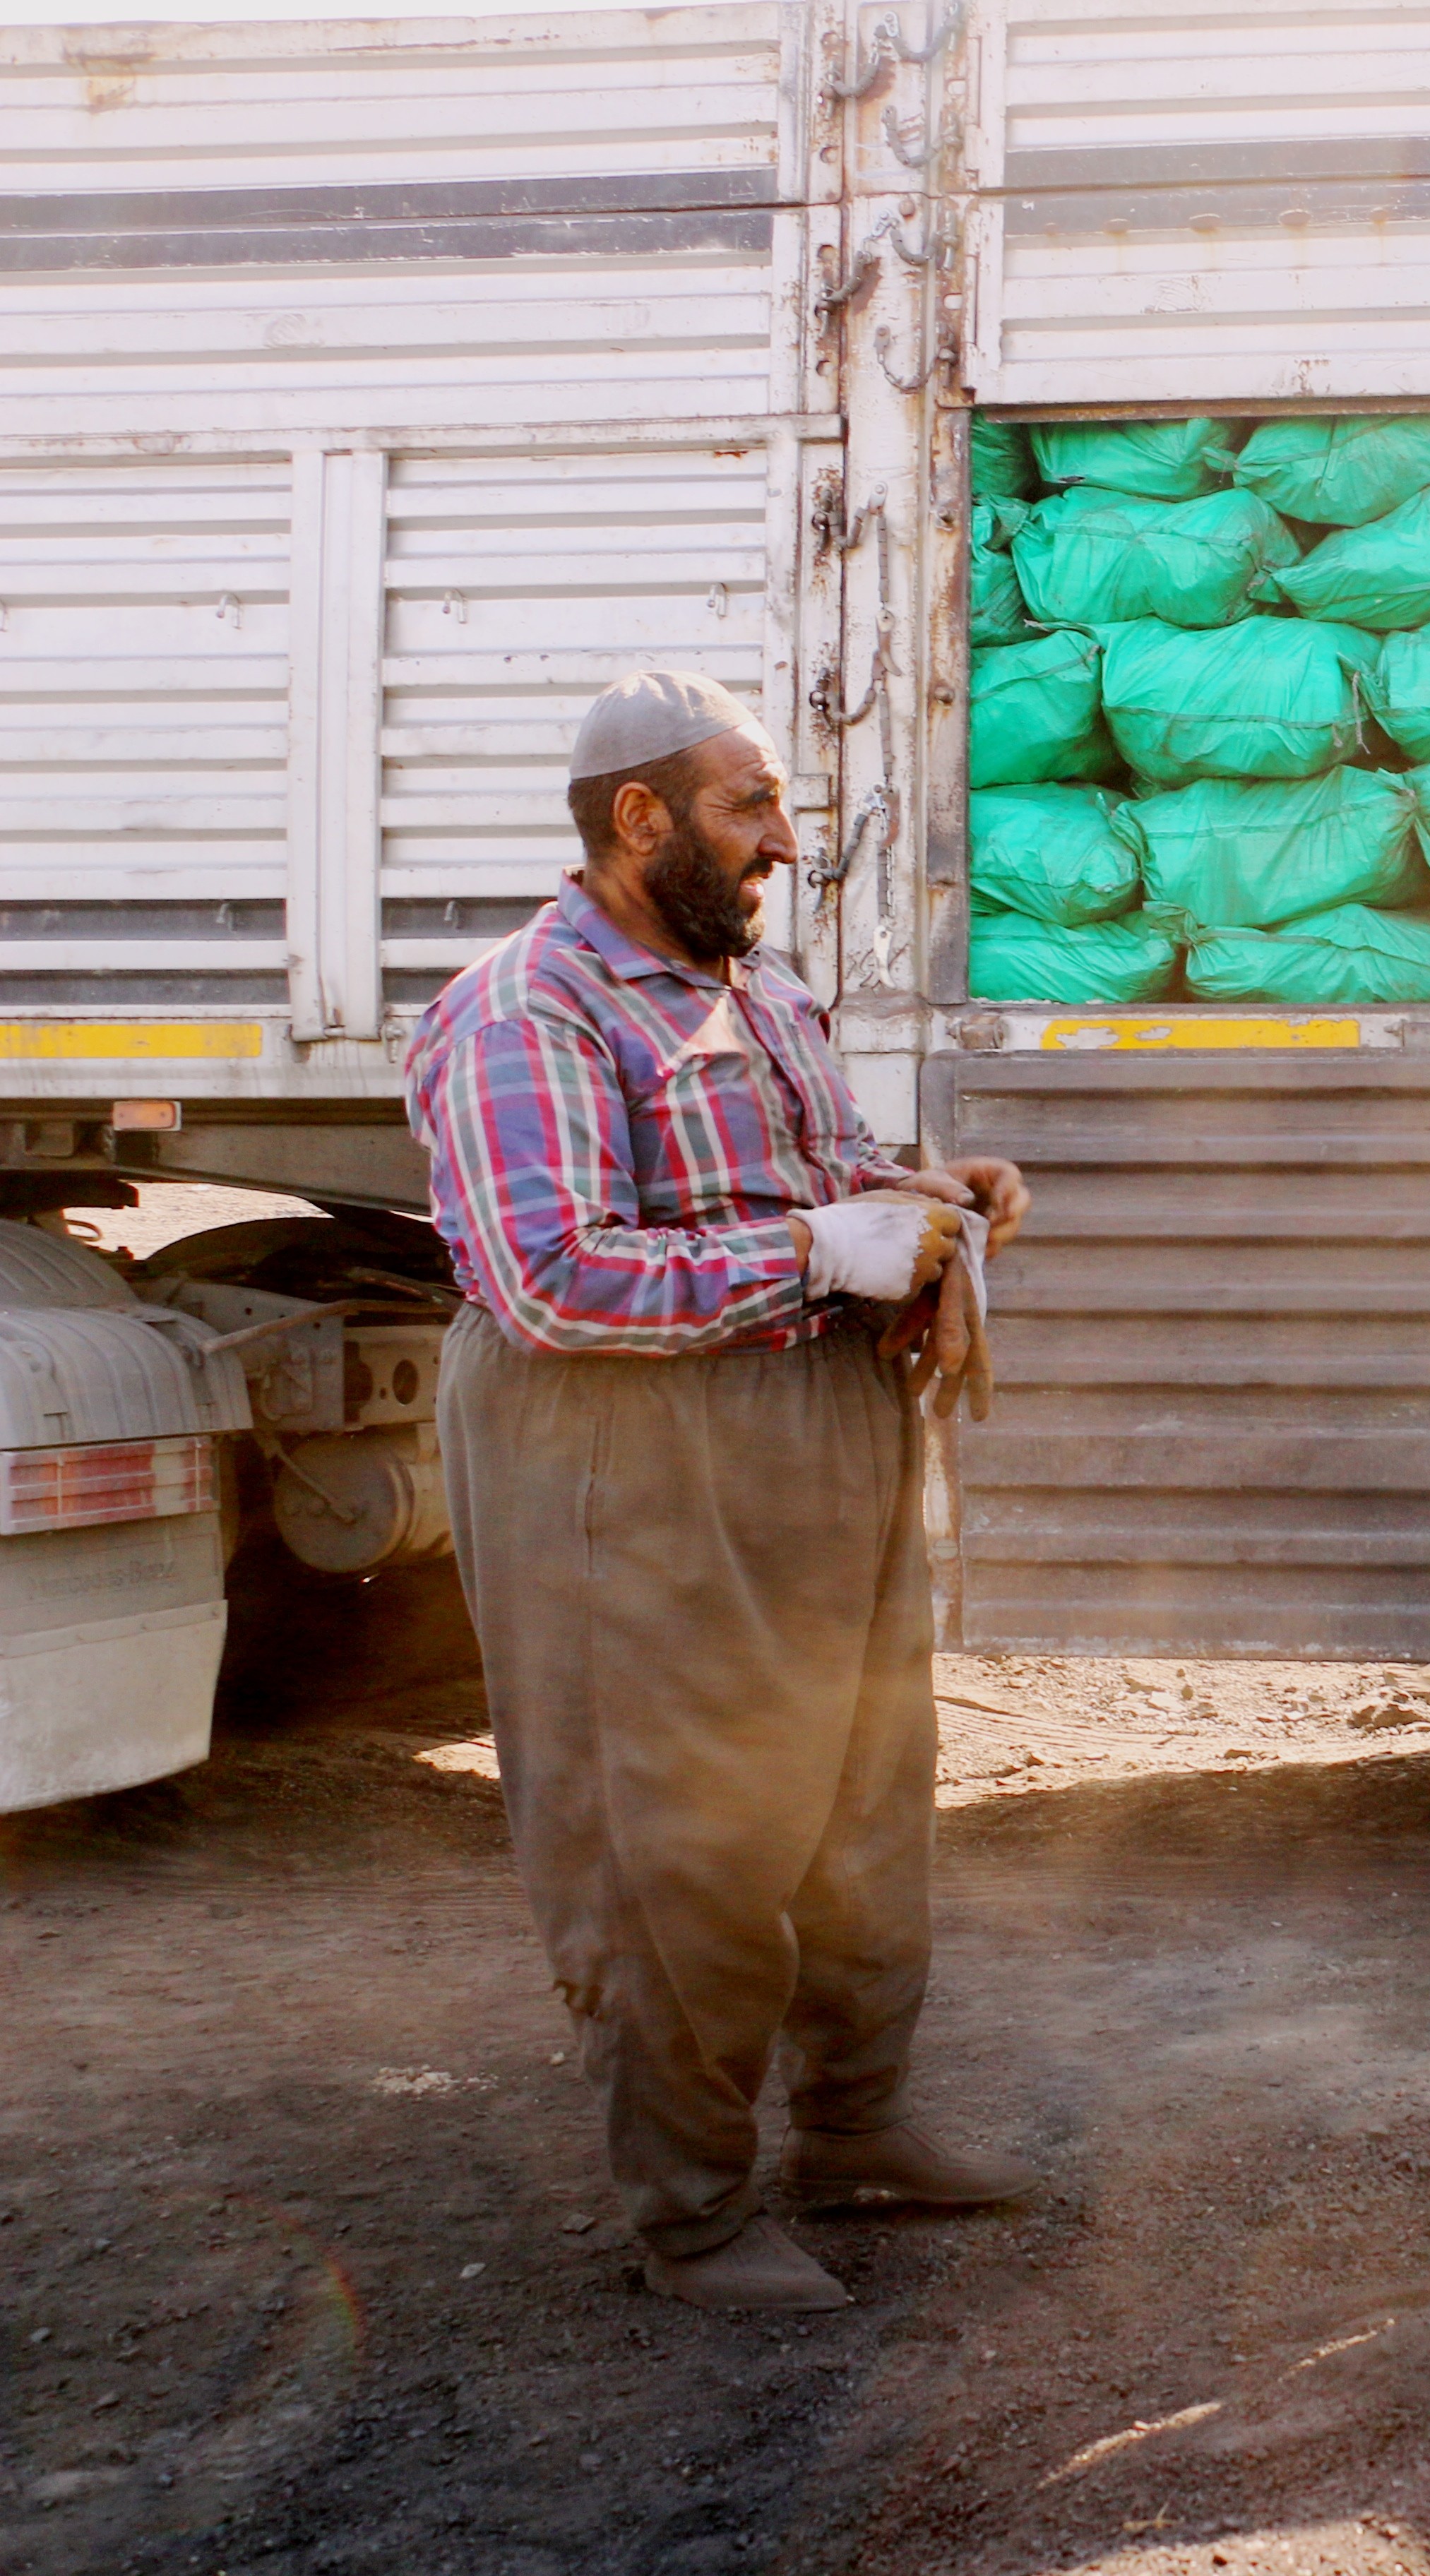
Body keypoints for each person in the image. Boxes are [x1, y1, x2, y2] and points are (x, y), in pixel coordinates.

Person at [409, 670, 1039, 2311]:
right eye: (750, 807)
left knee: (854, 1785)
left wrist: (920, 1195)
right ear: (641, 819)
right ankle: (691, 2215)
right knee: (671, 1823)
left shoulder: (750, 988)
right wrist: (820, 1252)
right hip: (629, 1453)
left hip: (811, 1424)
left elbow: (805, 1180)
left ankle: (856, 2129)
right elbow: (550, 1280)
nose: (782, 841)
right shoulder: (526, 1009)